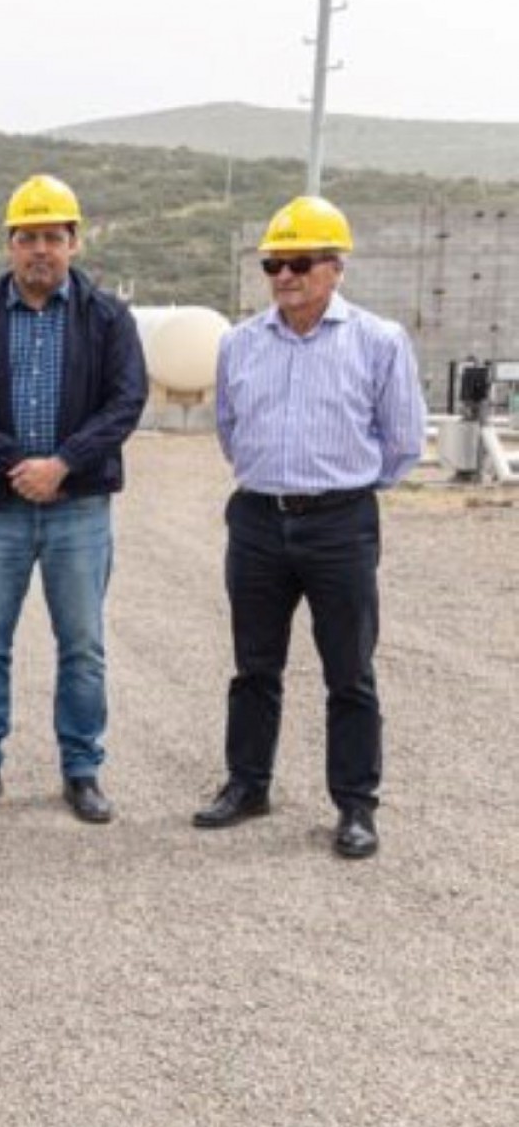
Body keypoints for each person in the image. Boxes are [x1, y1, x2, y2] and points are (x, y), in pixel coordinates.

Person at [193, 196, 425, 860]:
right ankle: (247, 784)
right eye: (274, 264)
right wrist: (279, 483)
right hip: (260, 518)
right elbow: (231, 432)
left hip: (339, 522)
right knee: (253, 666)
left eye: (298, 262)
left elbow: (403, 441)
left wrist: (339, 489)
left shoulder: (378, 342)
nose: (284, 276)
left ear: (335, 267)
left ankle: (355, 806)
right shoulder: (240, 343)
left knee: (348, 670)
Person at [0, 174, 147, 822]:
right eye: (28, 238)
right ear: (9, 245)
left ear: (74, 243)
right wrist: (14, 465)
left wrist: (64, 464)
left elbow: (125, 400)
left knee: (82, 645)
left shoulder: (108, 318)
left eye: (53, 237)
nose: (40, 250)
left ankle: (81, 770)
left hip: (78, 509)